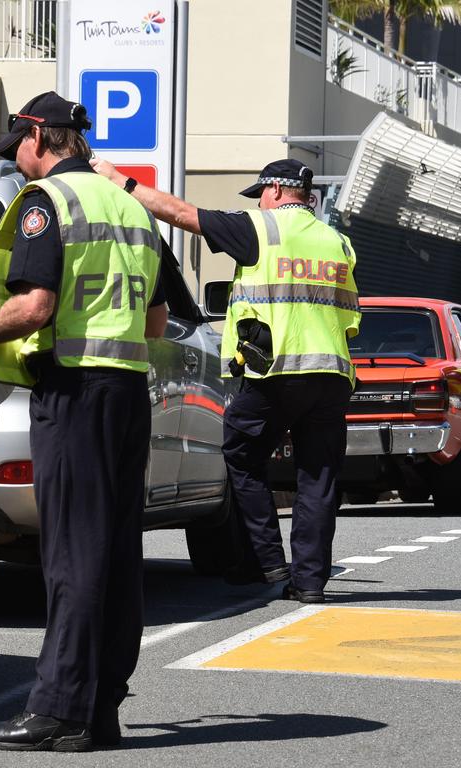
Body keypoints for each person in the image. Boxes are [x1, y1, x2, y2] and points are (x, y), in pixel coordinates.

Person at [0, 91, 168, 752]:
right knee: (114, 551)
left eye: (17, 149)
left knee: (73, 556)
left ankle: (54, 709)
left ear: (39, 139)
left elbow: (37, 305)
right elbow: (158, 322)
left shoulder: (49, 204)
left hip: (74, 390)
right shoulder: (132, 205)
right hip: (128, 390)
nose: (17, 164)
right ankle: (100, 709)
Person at [92, 157, 360, 604]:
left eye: (261, 196)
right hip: (331, 374)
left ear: (274, 192)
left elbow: (180, 213)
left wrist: (119, 181)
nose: (260, 203)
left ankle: (266, 559)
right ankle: (310, 582)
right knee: (318, 476)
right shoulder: (339, 243)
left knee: (239, 451)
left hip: (276, 372)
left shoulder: (261, 228)